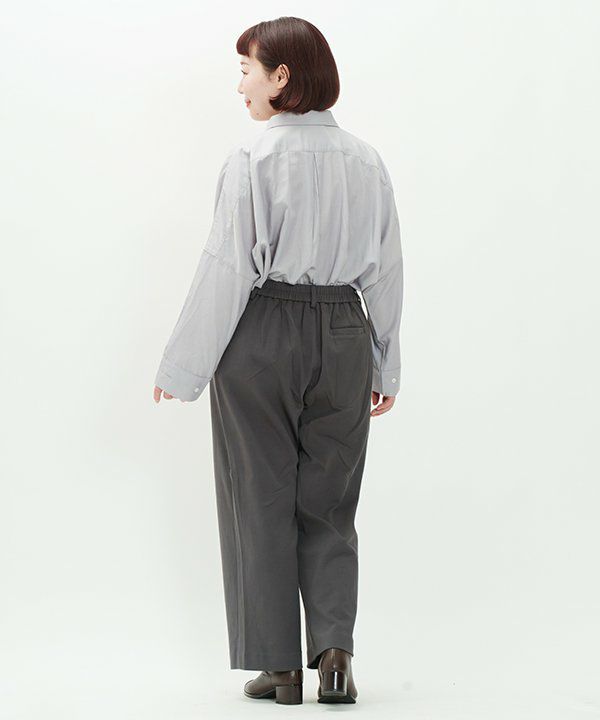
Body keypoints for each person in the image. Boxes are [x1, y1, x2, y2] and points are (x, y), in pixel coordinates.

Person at [153, 16, 403, 706]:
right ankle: (335, 658)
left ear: (280, 76)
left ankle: (279, 666)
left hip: (264, 331)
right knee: (331, 503)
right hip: (346, 332)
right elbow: (386, 270)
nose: (240, 87)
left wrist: (183, 367)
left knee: (258, 497)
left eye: (246, 71)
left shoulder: (252, 158)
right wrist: (386, 362)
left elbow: (228, 267)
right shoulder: (367, 161)